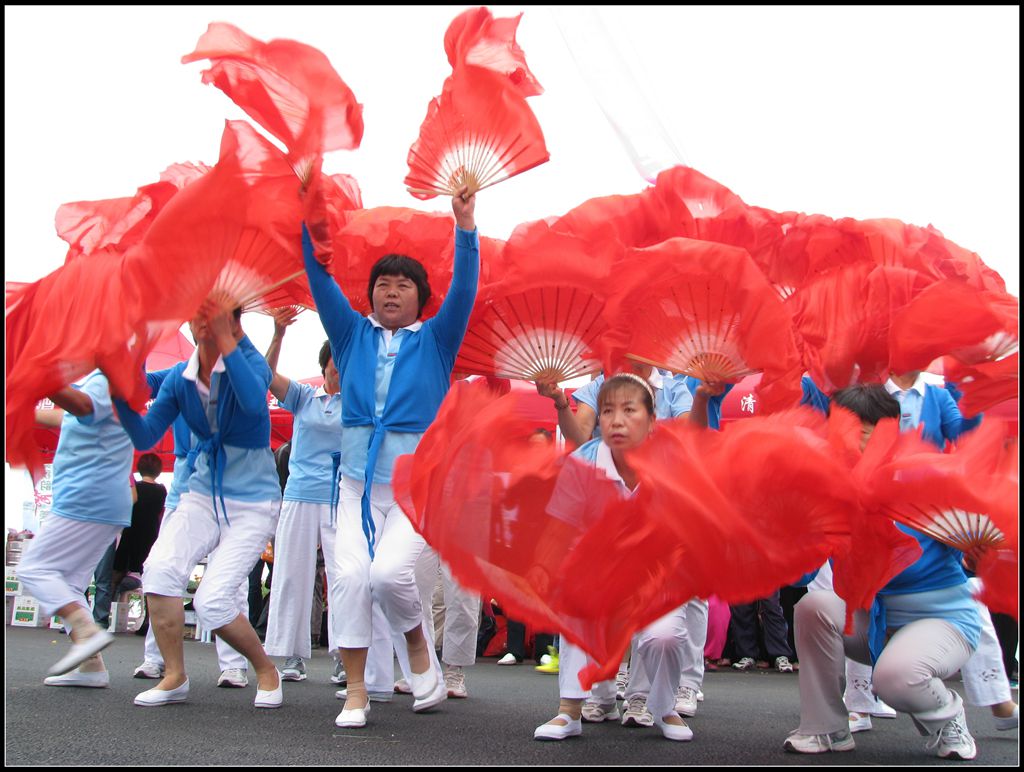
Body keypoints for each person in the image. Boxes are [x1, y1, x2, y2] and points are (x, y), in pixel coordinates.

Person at [303, 184, 479, 729]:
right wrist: (309, 220)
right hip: (355, 486)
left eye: (404, 285)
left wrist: (465, 225)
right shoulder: (351, 334)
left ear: (420, 297)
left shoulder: (437, 341)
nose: (392, 292)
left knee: (387, 576)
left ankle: (416, 646)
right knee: (351, 580)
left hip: (414, 488)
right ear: (371, 294)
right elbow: (318, 280)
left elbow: (466, 290)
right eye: (383, 284)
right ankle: (356, 691)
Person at [784, 383, 983, 760]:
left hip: (942, 620)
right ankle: (826, 727)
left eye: (863, 431)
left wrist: (976, 554)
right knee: (811, 609)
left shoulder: (927, 478)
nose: (851, 442)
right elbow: (800, 578)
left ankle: (949, 716)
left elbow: (981, 541)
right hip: (872, 620)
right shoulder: (832, 494)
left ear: (888, 431)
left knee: (893, 678)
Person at [112, 300, 283, 709]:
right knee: (160, 568)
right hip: (201, 494)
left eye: (215, 312)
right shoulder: (178, 379)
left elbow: (249, 397)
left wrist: (226, 337)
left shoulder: (252, 363)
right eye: (197, 312)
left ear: (236, 323)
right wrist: (120, 388)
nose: (202, 320)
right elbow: (145, 434)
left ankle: (264, 668)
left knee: (213, 600)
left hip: (254, 503)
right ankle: (174, 675)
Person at [534, 374, 693, 742]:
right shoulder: (583, 463)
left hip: (658, 578)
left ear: (653, 420)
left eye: (629, 410)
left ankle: (665, 707)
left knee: (665, 636)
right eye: (607, 410)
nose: (617, 420)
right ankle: (569, 710)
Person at [18, 372, 132, 687]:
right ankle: (92, 667)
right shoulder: (115, 378)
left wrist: (38, 373)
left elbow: (82, 406)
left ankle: (85, 630)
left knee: (34, 568)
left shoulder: (105, 375)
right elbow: (66, 414)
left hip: (85, 498)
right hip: (104, 501)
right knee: (69, 584)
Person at [131, 414, 253, 689]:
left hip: (230, 501)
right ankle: (156, 657)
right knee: (161, 574)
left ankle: (234, 664)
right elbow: (145, 386)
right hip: (183, 497)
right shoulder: (180, 383)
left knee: (231, 583)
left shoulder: (239, 387)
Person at [261, 311, 345, 685]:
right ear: (324, 366)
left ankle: (346, 654)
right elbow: (264, 376)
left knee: (344, 578)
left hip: (340, 499)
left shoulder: (360, 405)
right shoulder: (303, 397)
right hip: (298, 496)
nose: (339, 372)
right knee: (292, 575)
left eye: (346, 366)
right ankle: (291, 655)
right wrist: (278, 333)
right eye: (334, 365)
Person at [113, 453, 166, 595]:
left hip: (130, 534)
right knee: (149, 580)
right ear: (158, 471)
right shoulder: (161, 491)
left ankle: (109, 609)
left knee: (115, 576)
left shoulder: (135, 488)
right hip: (151, 536)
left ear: (140, 468)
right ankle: (150, 616)